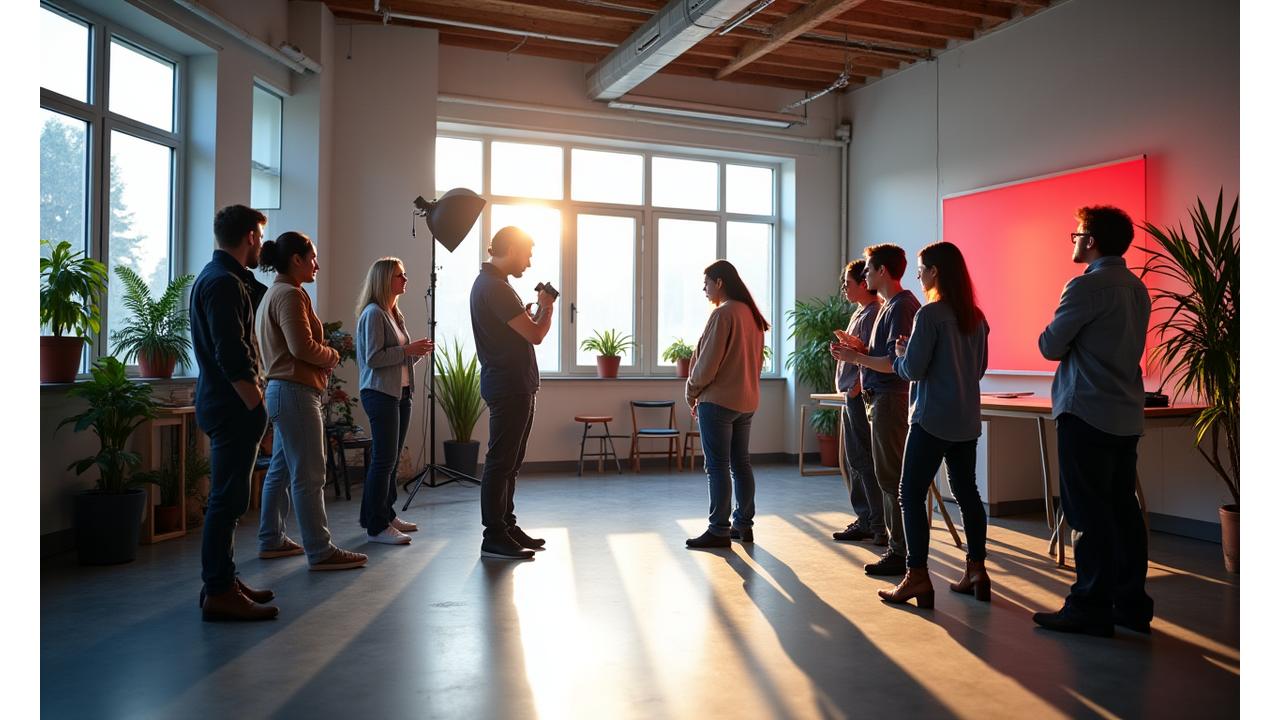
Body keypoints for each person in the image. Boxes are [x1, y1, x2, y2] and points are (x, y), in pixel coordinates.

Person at [1033, 206, 1152, 637]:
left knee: (1087, 511)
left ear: (1092, 240)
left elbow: (1050, 345)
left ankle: (1089, 605)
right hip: (1124, 411)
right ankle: (1131, 603)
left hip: (1085, 410)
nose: (1075, 239)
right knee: (1122, 510)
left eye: (1077, 233)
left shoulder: (1085, 287)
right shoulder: (1137, 288)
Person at [853, 241, 991, 608]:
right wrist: (910, 353)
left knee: (909, 494)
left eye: (921, 268)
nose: (917, 274)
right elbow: (977, 370)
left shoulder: (929, 315)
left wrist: (901, 355)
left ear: (935, 272)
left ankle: (916, 576)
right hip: (966, 420)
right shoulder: (975, 317)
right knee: (968, 494)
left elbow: (913, 370)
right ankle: (976, 569)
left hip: (930, 419)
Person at [256, 232, 368, 571]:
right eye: (313, 257)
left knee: (281, 468)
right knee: (310, 474)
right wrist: (332, 354)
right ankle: (320, 550)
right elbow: (301, 347)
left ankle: (271, 538)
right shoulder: (290, 295)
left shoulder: (273, 293)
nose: (317, 264)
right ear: (296, 260)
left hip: (280, 390)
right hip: (295, 392)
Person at [190, 204, 276, 621]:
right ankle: (219, 591)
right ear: (250, 237)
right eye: (261, 236)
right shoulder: (222, 283)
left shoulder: (225, 278)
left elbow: (256, 300)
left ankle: (223, 579)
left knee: (231, 499)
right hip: (232, 406)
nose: (262, 243)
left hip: (224, 403)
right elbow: (232, 355)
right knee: (227, 501)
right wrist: (256, 406)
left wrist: (266, 267)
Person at [830, 244, 920, 576]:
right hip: (878, 397)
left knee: (891, 476)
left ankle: (900, 551)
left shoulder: (900, 306)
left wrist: (856, 358)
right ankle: (898, 547)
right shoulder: (890, 306)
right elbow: (884, 353)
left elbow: (896, 363)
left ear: (882, 271)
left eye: (867, 269)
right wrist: (860, 350)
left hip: (889, 397)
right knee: (885, 474)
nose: (864, 274)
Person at [470, 226, 556, 560]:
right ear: (511, 248)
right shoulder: (496, 288)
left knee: (511, 462)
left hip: (513, 383)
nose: (529, 263)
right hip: (508, 385)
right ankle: (494, 534)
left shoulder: (495, 285)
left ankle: (506, 524)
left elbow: (519, 333)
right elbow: (535, 335)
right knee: (501, 461)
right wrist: (547, 308)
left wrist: (535, 312)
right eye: (527, 254)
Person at [684, 260, 769, 549]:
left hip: (718, 401)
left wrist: (691, 392)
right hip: (746, 401)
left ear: (719, 282)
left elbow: (707, 365)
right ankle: (743, 524)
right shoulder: (752, 315)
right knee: (740, 464)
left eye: (706, 282)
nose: (704, 289)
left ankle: (718, 528)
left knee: (717, 466)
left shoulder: (723, 314)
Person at [355, 257, 433, 545]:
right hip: (379, 394)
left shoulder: (393, 313)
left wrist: (413, 352)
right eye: (400, 275)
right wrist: (407, 350)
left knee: (390, 459)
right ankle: (376, 527)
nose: (405, 279)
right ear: (385, 280)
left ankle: (384, 514)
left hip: (399, 393)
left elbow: (395, 357)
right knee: (384, 460)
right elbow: (374, 359)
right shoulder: (374, 314)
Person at [831, 260, 887, 546]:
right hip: (850, 392)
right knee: (854, 458)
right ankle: (867, 518)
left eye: (848, 283)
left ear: (863, 284)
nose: (844, 288)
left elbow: (869, 355)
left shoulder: (873, 312)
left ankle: (875, 522)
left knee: (863, 458)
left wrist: (854, 386)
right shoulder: (860, 312)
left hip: (856, 394)